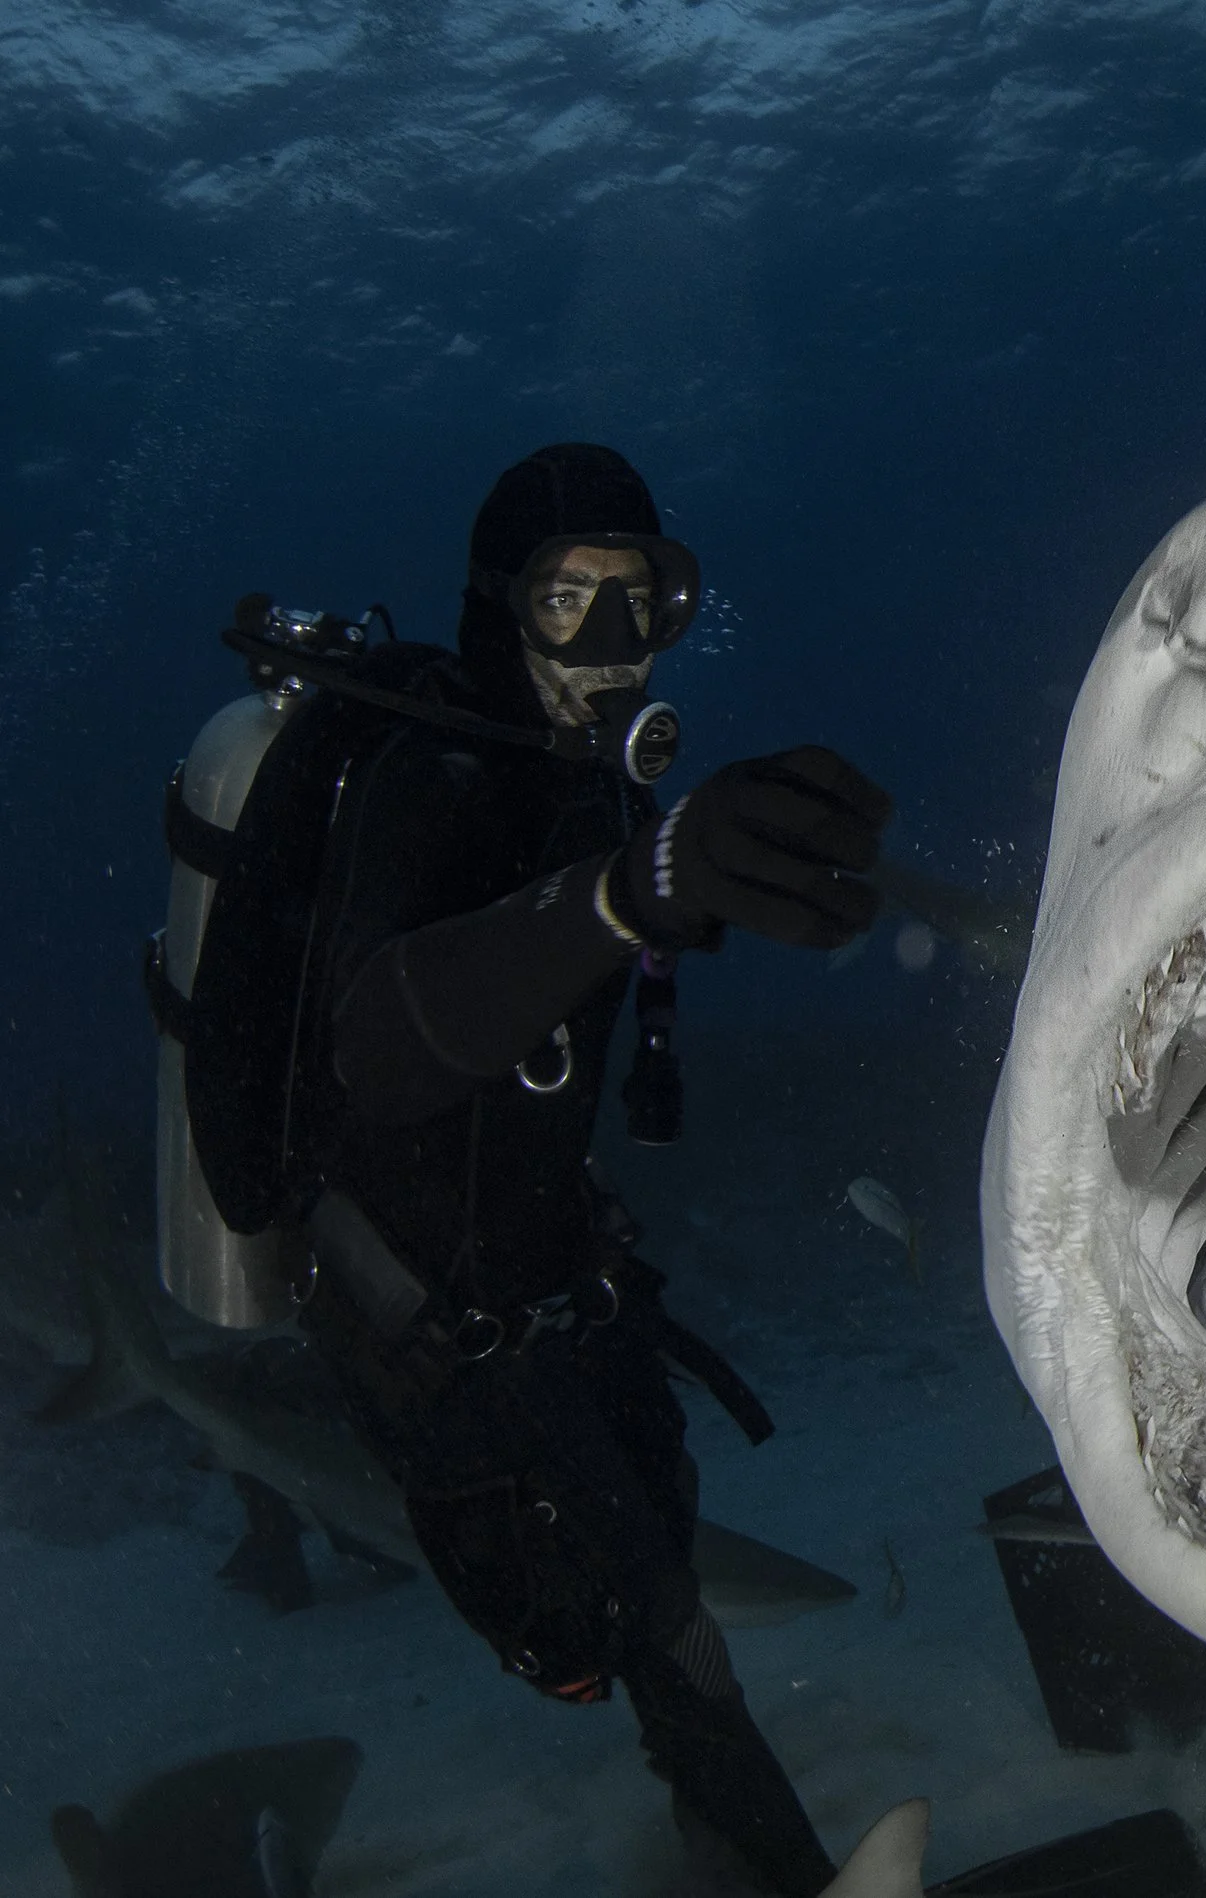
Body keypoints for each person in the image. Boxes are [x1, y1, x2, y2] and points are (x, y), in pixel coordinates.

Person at [291, 443, 885, 1897]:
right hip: (425, 1312)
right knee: (658, 1636)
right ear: (503, 608)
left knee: (665, 1552)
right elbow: (378, 1049)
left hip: (559, 1274)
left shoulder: (587, 794)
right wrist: (626, 892)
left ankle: (706, 1854)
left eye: (645, 603)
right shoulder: (426, 778)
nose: (613, 649)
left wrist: (693, 857)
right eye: (572, 604)